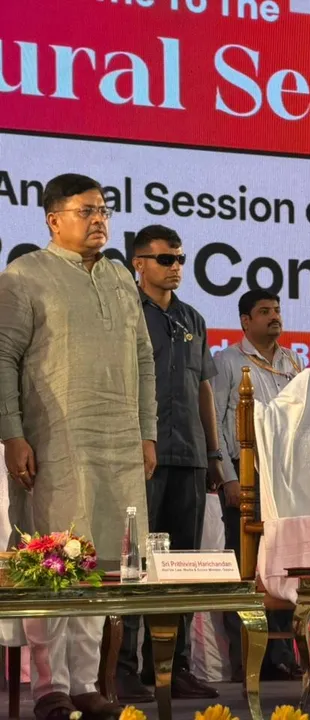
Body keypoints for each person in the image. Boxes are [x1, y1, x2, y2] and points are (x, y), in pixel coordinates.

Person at [0, 174, 157, 720]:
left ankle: (87, 683)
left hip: (118, 443)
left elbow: (142, 358)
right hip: (55, 441)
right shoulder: (24, 276)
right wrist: (12, 432)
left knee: (103, 566)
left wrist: (147, 431)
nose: (100, 220)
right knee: (55, 564)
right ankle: (50, 687)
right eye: (87, 210)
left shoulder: (119, 277)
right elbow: (3, 358)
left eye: (104, 210)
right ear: (53, 219)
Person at [116, 225, 222, 702]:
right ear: (139, 263)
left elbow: (203, 387)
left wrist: (216, 454)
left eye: (180, 257)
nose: (176, 266)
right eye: (165, 259)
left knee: (181, 565)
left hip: (191, 455)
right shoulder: (124, 313)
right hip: (143, 455)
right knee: (136, 562)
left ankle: (173, 665)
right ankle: (123, 667)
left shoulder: (193, 318)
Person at [212, 289, 302, 681]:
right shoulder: (227, 362)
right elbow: (214, 422)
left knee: (281, 569)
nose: (274, 317)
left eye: (277, 310)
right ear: (246, 321)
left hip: (287, 483)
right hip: (245, 477)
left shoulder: (293, 363)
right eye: (264, 312)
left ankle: (282, 655)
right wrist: (227, 478)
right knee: (246, 571)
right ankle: (248, 660)